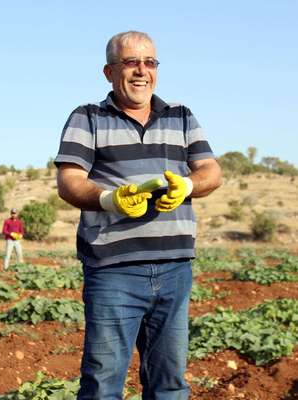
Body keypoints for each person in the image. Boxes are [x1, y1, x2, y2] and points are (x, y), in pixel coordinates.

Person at [55, 31, 222, 400]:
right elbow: (69, 182)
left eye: (150, 62)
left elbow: (211, 171)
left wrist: (188, 187)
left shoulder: (181, 116)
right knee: (102, 384)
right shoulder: (88, 117)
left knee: (170, 384)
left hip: (175, 268)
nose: (141, 71)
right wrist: (111, 200)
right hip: (114, 271)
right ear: (109, 71)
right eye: (130, 62)